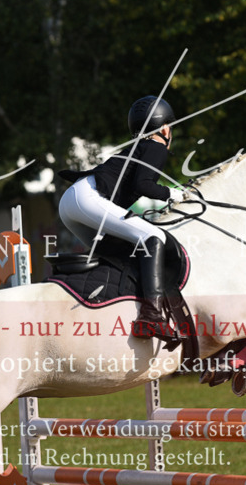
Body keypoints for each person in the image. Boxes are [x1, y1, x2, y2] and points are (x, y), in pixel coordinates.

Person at [57, 95, 186, 339]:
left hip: (71, 202)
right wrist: (173, 194)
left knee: (118, 251)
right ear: (165, 128)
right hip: (88, 197)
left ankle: (108, 300)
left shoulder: (139, 147)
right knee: (154, 236)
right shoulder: (156, 146)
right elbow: (144, 185)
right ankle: (151, 316)